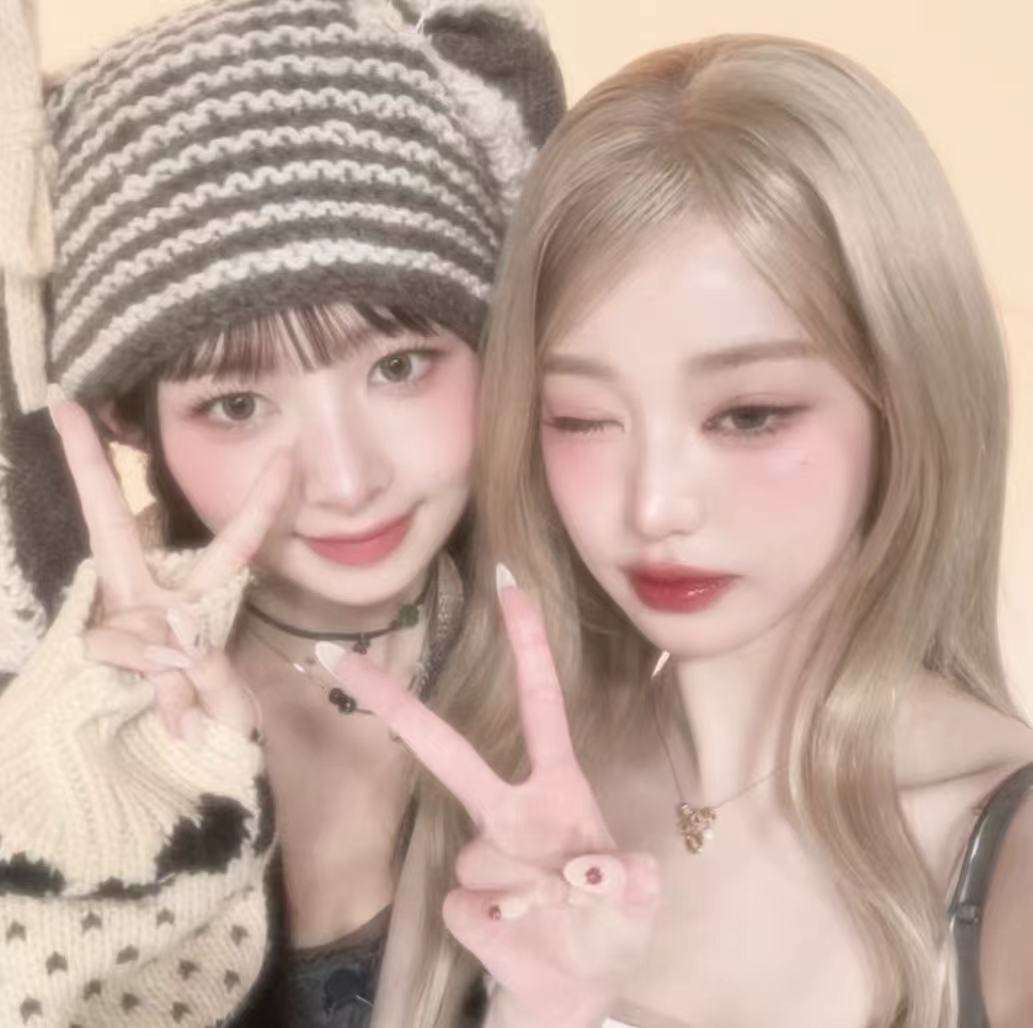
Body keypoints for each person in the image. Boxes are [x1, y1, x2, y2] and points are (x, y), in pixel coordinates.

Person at [316, 34, 1033, 1027]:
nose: (651, 507)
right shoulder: (502, 798)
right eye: (581, 417)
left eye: (748, 414)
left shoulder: (1004, 857)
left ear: (907, 400)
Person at [0, 0, 563, 1025]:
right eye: (236, 405)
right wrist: (87, 827)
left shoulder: (594, 663)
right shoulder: (46, 727)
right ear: (132, 420)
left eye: (399, 366)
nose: (343, 481)